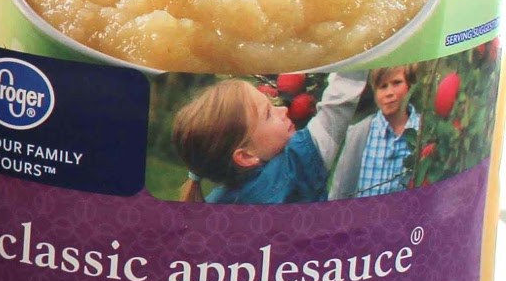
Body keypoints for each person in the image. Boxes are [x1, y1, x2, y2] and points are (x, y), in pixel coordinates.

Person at [170, 72, 368, 205]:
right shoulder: (296, 168)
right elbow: (342, 97)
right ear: (246, 156)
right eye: (268, 114)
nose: (283, 110)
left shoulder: (215, 205)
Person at [348, 65, 419, 196]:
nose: (389, 93)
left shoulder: (424, 131)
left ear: (409, 86)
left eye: (396, 83)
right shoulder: (359, 133)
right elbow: (341, 189)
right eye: (382, 86)